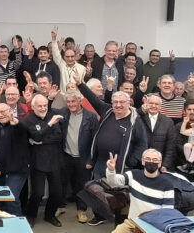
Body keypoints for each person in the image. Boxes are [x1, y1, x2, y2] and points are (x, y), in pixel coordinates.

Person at [74, 71, 148, 224]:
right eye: (116, 102)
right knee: (96, 192)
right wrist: (80, 83)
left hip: (121, 166)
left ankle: (120, 221)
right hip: (101, 162)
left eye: (122, 102)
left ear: (129, 103)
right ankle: (100, 215)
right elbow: (92, 98)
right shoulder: (107, 110)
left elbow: (142, 143)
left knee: (118, 195)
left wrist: (131, 162)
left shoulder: (135, 120)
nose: (118, 105)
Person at [105, 149, 185, 233]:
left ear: (160, 163)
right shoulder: (133, 175)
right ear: (143, 161)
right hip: (133, 222)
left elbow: (167, 212)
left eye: (155, 160)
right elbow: (114, 182)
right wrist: (111, 170)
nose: (151, 162)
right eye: (148, 159)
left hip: (154, 225)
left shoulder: (167, 184)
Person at [53, 90, 99, 223]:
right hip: (66, 155)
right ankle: (60, 207)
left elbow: (95, 140)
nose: (71, 104)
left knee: (82, 185)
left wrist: (91, 159)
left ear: (80, 101)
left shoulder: (90, 116)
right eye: (68, 102)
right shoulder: (62, 113)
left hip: (83, 157)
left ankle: (81, 210)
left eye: (73, 101)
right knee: (61, 184)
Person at [22, 95, 65, 227]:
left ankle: (49, 215)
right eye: (40, 106)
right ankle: (31, 215)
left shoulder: (52, 115)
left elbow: (58, 136)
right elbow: (35, 135)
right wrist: (49, 124)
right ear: (33, 106)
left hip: (55, 161)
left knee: (57, 193)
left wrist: (40, 141)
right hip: (37, 162)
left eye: (45, 105)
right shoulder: (28, 120)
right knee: (37, 194)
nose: (43, 108)